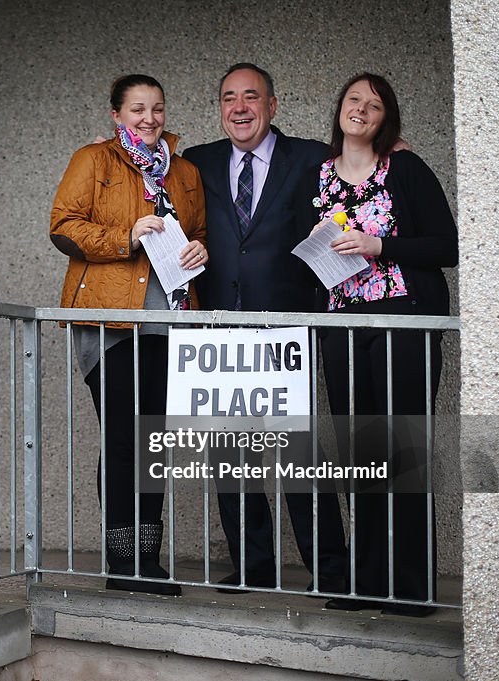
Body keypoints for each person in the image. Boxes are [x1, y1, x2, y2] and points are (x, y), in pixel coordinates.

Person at [295, 73, 457, 616]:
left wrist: (378, 244)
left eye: (375, 104)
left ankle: (409, 587)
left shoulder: (405, 168)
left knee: (401, 451)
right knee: (359, 454)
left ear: (387, 119)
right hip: (341, 326)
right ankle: (367, 578)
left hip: (403, 321)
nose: (361, 109)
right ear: (339, 108)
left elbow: (448, 244)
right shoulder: (317, 176)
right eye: (353, 99)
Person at [182, 64, 348, 594]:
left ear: (272, 105)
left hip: (286, 323)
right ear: (220, 108)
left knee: (299, 450)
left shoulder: (312, 157)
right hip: (218, 324)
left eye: (251, 96)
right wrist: (107, 150)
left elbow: (363, 178)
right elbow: (148, 180)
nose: (240, 106)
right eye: (229, 97)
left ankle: (330, 568)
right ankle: (254, 566)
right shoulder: (197, 162)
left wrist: (396, 156)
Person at [51, 74, 208, 596]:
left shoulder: (184, 172)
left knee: (152, 443)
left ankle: (147, 558)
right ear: (116, 115)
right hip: (112, 323)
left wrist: (199, 251)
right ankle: (124, 565)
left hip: (171, 322)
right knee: (124, 439)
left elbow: (199, 233)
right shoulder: (93, 160)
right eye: (137, 109)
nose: (149, 118)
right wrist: (126, 236)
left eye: (157, 108)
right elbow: (64, 225)